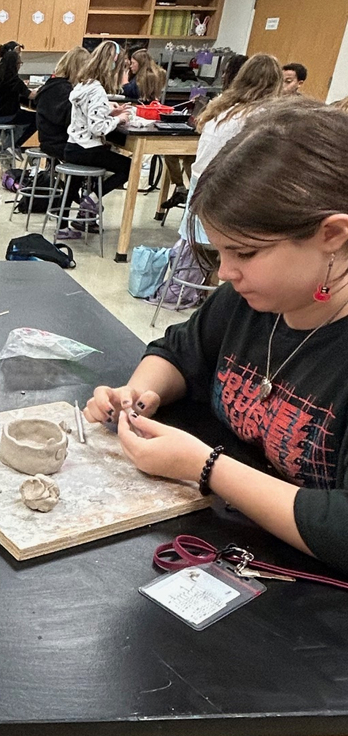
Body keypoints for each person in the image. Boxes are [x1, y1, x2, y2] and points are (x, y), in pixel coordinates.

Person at [84, 101, 348, 575]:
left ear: (332, 234)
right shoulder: (253, 301)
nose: (226, 272)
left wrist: (205, 468)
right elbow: (179, 350)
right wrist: (139, 393)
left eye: (244, 252)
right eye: (220, 251)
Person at [177, 54, 283, 242]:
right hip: (223, 202)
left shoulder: (220, 108)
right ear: (276, 85)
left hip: (198, 197)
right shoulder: (262, 116)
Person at [59, 41, 132, 240]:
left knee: (72, 184)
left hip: (72, 147)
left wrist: (108, 110)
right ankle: (92, 199)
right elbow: (97, 128)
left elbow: (87, 112)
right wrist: (119, 118)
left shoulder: (83, 84)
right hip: (87, 149)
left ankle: (62, 226)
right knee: (129, 167)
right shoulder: (97, 89)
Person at [32, 45, 90, 163]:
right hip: (62, 145)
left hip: (47, 141)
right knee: (118, 162)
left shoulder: (50, 85)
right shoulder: (67, 92)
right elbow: (72, 122)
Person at [0, 41, 37, 149]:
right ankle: (15, 146)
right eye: (19, 63)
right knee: (38, 118)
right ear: (15, 64)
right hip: (6, 117)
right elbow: (31, 96)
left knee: (8, 111)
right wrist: (42, 90)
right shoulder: (14, 80)